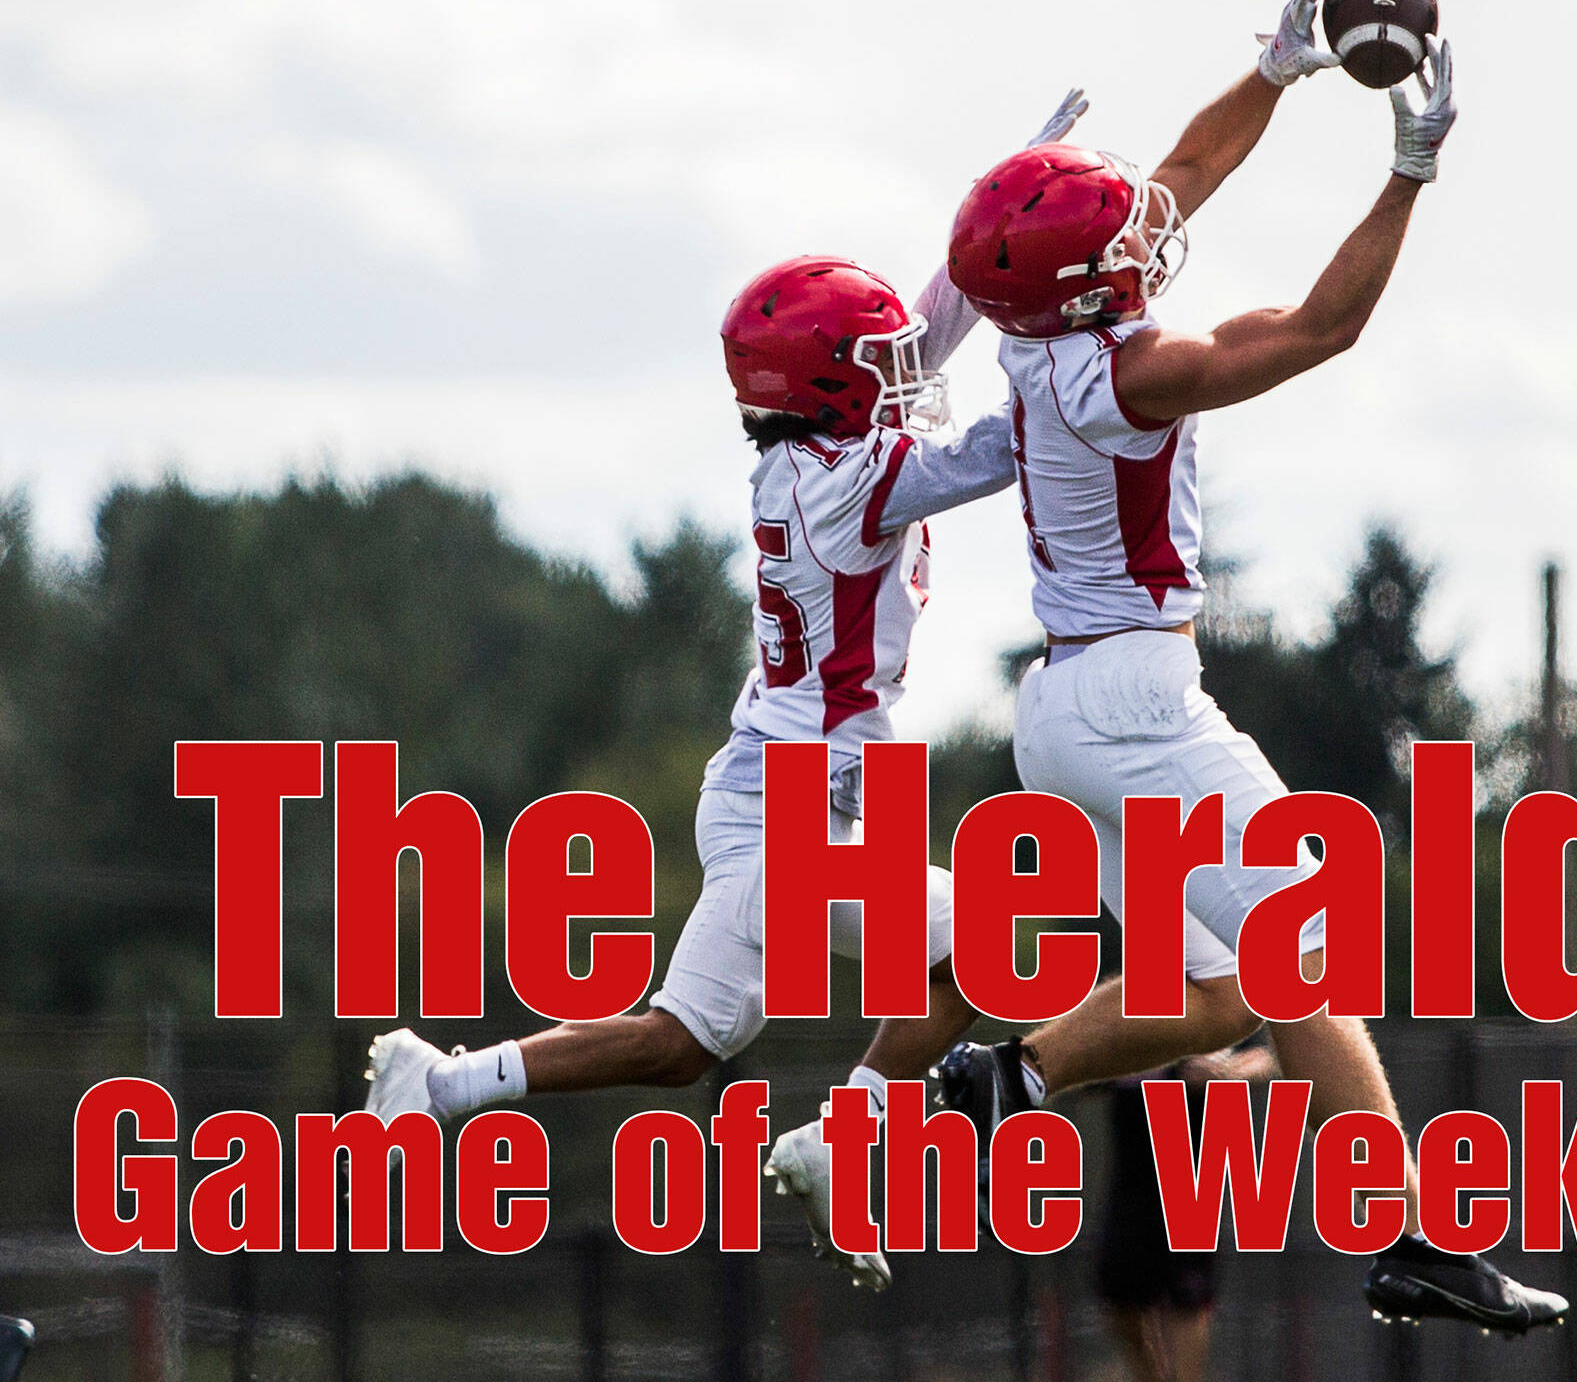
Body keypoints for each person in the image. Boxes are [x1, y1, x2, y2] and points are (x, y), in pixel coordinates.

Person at [361, 92, 1089, 1294]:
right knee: (995, 952)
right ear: (826, 387)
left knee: (681, 1043)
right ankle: (844, 1145)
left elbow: (923, 333)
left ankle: (436, 1085)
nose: (902, 372)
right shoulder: (847, 479)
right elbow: (1009, 443)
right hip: (791, 809)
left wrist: (996, 225)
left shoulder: (818, 450)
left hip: (798, 798)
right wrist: (1070, 313)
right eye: (874, 366)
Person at [934, 0, 1566, 1335]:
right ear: (1081, 284)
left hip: (1075, 707)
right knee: (1303, 956)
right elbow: (1326, 326)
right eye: (1113, 243)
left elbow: (1181, 171)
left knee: (1218, 993)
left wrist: (1281, 59)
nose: (1139, 237)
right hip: (1138, 706)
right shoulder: (1130, 371)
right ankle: (1413, 1241)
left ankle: (1013, 1076)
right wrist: (1410, 165)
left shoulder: (1038, 325)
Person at [1098, 1040, 1274, 1382]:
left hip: (1192, 1176)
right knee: (1116, 1294)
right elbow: (1081, 1070)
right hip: (1131, 1176)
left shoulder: (1216, 996)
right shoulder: (1124, 1012)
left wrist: (1225, 1074)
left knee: (1189, 1298)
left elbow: (1265, 1058)